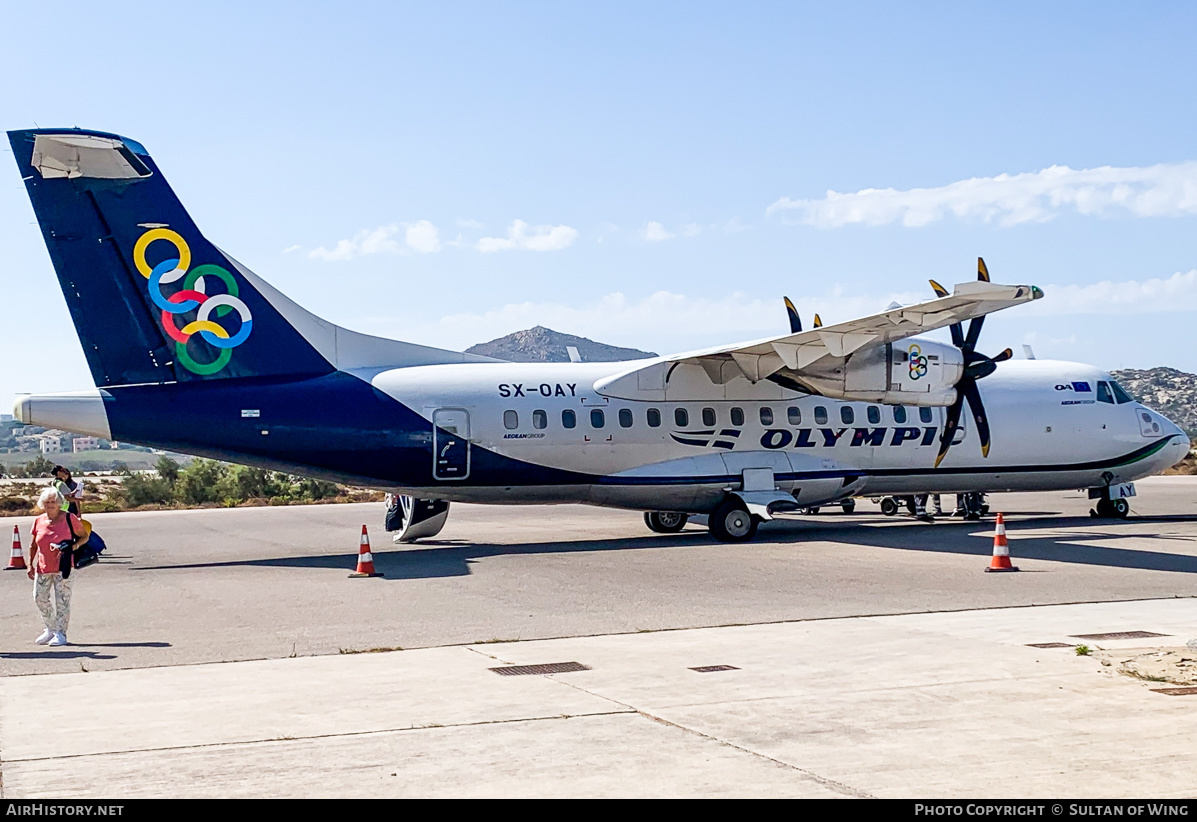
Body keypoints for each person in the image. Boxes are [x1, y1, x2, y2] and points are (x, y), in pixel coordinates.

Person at [27, 487, 88, 647]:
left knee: (62, 601)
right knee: (39, 597)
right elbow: (33, 544)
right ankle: (50, 628)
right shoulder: (39, 521)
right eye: (47, 502)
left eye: (53, 502)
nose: (50, 505)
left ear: (59, 503)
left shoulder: (69, 518)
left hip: (64, 566)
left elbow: (84, 536)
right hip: (43, 567)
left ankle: (61, 634)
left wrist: (73, 547)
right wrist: (30, 564)